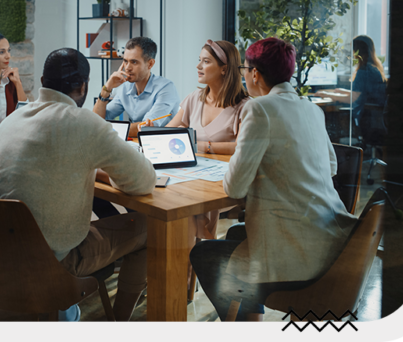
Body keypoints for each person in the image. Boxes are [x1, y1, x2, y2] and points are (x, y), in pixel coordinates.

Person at [190, 37, 358, 321]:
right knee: (235, 234)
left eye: (245, 69)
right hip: (330, 233)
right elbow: (330, 166)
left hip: (299, 251)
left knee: (205, 255)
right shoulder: (311, 108)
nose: (243, 74)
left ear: (254, 73)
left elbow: (235, 186)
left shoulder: (260, 109)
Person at [0, 48, 156, 321]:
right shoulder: (84, 123)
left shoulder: (12, 119)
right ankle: (120, 323)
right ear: (83, 86)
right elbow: (144, 181)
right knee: (148, 227)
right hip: (52, 263)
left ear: (42, 80)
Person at [139, 39, 250, 291]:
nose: (198, 66)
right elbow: (171, 131)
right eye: (199, 60)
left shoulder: (244, 106)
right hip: (193, 174)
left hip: (224, 183)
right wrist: (154, 132)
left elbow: (243, 146)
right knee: (163, 200)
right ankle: (171, 273)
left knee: (183, 208)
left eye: (206, 61)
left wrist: (200, 145)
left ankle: (180, 279)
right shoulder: (194, 99)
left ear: (224, 68)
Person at [93, 36, 180, 137]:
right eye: (125, 61)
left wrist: (107, 129)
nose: (128, 68)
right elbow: (97, 121)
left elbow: (145, 127)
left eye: (134, 62)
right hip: (137, 144)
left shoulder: (166, 88)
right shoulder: (125, 88)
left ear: (150, 64)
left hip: (162, 145)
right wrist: (107, 89)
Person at [314, 35, 387, 124]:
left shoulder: (364, 70)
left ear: (357, 52)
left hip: (367, 119)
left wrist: (327, 94)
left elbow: (352, 99)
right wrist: (343, 91)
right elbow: (363, 94)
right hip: (374, 117)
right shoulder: (373, 68)